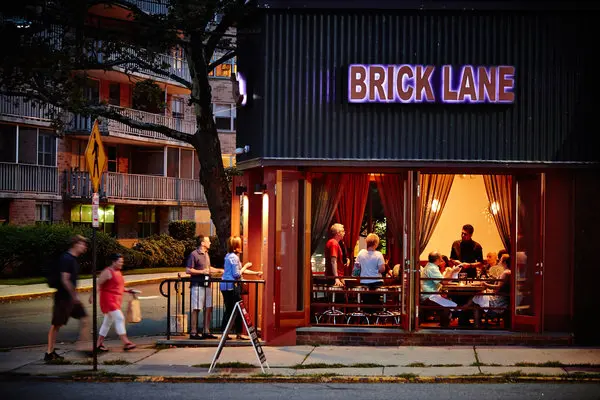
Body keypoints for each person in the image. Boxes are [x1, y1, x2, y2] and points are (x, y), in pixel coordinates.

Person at [45, 235, 91, 362]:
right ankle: (49, 352)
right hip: (63, 297)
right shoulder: (66, 258)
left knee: (85, 319)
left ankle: (83, 347)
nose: (84, 247)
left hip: (70, 297)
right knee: (56, 325)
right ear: (75, 244)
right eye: (82, 244)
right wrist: (74, 295)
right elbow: (65, 279)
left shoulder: (73, 259)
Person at [91, 253, 136, 351]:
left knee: (107, 322)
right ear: (113, 262)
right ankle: (126, 342)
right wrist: (92, 296)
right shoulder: (107, 272)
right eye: (119, 262)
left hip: (115, 300)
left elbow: (117, 287)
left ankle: (99, 344)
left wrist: (128, 290)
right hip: (108, 300)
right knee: (119, 318)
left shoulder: (118, 272)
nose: (121, 264)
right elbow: (98, 284)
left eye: (122, 262)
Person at [220, 236, 262, 340]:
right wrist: (246, 266)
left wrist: (255, 273)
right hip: (231, 287)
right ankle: (236, 333)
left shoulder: (228, 256)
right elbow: (237, 274)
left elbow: (239, 271)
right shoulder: (234, 258)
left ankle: (226, 332)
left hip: (226, 286)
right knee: (237, 308)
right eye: (239, 244)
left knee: (230, 309)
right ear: (235, 247)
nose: (241, 246)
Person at [186, 234, 220, 339]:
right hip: (197, 285)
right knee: (196, 308)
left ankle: (206, 330)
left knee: (208, 307)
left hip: (207, 285)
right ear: (202, 243)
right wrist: (202, 272)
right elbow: (188, 270)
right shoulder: (194, 254)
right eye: (208, 241)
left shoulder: (206, 254)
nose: (210, 243)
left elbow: (208, 268)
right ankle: (193, 332)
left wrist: (220, 270)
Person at [420, 251, 460, 327]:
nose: (442, 259)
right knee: (450, 307)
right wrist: (452, 271)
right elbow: (444, 282)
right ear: (438, 259)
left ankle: (444, 326)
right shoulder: (432, 268)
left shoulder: (430, 266)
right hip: (429, 296)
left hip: (431, 295)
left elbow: (442, 281)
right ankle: (444, 328)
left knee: (451, 304)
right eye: (441, 257)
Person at [356, 233, 386, 311]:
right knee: (376, 301)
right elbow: (382, 269)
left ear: (367, 242)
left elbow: (356, 268)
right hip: (377, 282)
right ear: (376, 243)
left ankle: (366, 317)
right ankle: (376, 317)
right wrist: (376, 270)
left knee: (366, 302)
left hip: (364, 282)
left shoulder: (361, 253)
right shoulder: (379, 255)